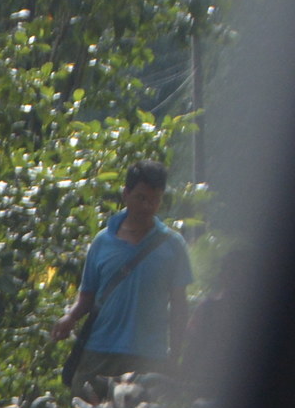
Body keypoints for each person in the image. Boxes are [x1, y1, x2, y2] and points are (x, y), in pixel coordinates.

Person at [51, 160, 194, 391]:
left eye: (155, 199)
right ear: (126, 194)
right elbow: (87, 297)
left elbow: (179, 307)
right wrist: (70, 317)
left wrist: (175, 355)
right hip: (100, 351)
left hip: (148, 357)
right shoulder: (102, 242)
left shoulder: (173, 245)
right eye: (141, 198)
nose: (147, 206)